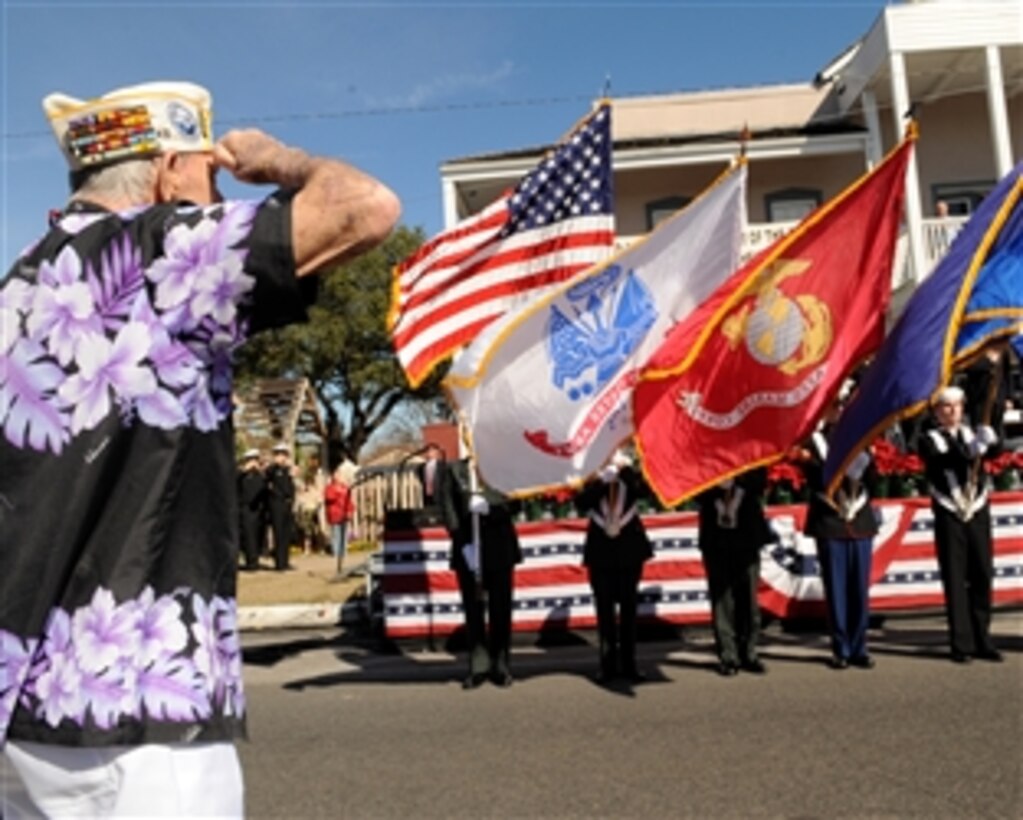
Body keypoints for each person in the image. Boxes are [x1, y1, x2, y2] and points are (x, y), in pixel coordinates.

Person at [0, 80, 399, 817]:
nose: (216, 188)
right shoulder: (161, 256)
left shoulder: (19, 282)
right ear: (164, 172)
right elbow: (362, 207)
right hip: (135, 708)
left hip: (24, 702)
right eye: (206, 170)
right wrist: (280, 160)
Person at [917, 384, 1003, 664]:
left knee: (981, 574)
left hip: (977, 511)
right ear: (937, 411)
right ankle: (961, 643)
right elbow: (945, 461)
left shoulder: (971, 433)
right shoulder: (929, 439)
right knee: (955, 578)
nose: (953, 412)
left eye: (957, 406)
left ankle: (983, 639)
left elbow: (992, 454)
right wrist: (972, 449)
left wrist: (992, 441)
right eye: (946, 407)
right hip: (949, 512)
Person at [797, 394, 879, 670]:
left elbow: (874, 481)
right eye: (833, 406)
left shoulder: (862, 438)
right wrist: (832, 468)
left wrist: (866, 466)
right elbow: (814, 480)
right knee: (837, 589)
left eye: (841, 406)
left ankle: (860, 646)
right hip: (831, 521)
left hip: (859, 521)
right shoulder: (815, 441)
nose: (838, 411)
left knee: (859, 589)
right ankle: (841, 647)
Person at [439, 458, 523, 689]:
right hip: (468, 548)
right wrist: (460, 538)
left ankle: (501, 665)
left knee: (500, 610)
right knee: (474, 611)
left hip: (499, 547)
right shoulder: (454, 470)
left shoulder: (502, 466)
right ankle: (478, 666)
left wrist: (491, 508)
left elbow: (516, 503)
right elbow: (447, 507)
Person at [575, 450, 653, 685]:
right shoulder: (590, 469)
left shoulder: (631, 467)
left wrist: (625, 471)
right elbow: (581, 503)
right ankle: (607, 666)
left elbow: (644, 493)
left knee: (629, 611)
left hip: (629, 549)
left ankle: (630, 665)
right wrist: (602, 481)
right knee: (605, 611)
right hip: (601, 552)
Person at [696, 468, 774, 677]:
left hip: (747, 537)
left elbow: (760, 484)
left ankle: (748, 651)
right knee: (722, 599)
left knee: (748, 597)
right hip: (716, 538)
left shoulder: (749, 452)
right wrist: (716, 482)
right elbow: (695, 492)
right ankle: (728, 655)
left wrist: (737, 478)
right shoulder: (705, 456)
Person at [265, 442, 298, 571]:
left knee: (286, 533)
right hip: (276, 504)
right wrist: (276, 464)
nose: (283, 457)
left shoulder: (287, 470)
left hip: (287, 504)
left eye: (284, 454)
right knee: (278, 533)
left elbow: (291, 487)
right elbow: (268, 474)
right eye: (280, 454)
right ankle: (279, 563)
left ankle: (285, 561)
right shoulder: (273, 470)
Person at [237, 448, 267, 571]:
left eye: (256, 460)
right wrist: (244, 471)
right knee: (248, 536)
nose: (254, 463)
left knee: (257, 535)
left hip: (258, 510)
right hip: (246, 509)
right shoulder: (241, 474)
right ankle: (250, 562)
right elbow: (234, 482)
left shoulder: (260, 475)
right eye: (251, 460)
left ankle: (255, 560)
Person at [324, 466, 356, 565]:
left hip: (344, 513)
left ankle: (344, 552)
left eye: (340, 474)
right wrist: (338, 492)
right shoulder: (329, 487)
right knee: (336, 534)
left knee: (344, 533)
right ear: (333, 476)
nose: (338, 476)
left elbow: (349, 501)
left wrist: (350, 511)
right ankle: (336, 552)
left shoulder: (345, 487)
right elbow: (329, 498)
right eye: (336, 474)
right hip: (335, 514)